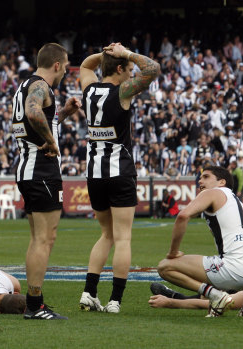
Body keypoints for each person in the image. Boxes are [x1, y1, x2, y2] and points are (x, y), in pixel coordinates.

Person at [77, 42, 159, 313]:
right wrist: (125, 53)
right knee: (123, 238)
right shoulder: (122, 91)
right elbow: (153, 68)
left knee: (106, 234)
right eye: (128, 68)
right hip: (120, 171)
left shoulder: (89, 90)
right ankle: (114, 300)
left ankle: (89, 293)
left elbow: (87, 65)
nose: (131, 72)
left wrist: (105, 55)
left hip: (94, 173)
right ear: (121, 68)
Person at [11, 43, 81, 320]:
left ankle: (35, 302)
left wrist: (62, 113)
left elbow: (34, 119)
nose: (65, 72)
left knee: (39, 239)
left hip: (30, 168)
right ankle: (35, 305)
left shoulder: (25, 84)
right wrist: (51, 142)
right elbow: (33, 113)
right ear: (57, 65)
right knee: (44, 239)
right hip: (41, 170)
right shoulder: (40, 85)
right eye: (65, 66)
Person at [157, 166, 243, 317]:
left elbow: (182, 216)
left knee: (165, 267)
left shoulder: (212, 193)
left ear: (222, 182)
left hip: (236, 270)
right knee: (230, 254)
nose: (200, 181)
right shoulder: (236, 202)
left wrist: (173, 252)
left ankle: (216, 296)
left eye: (206, 177)